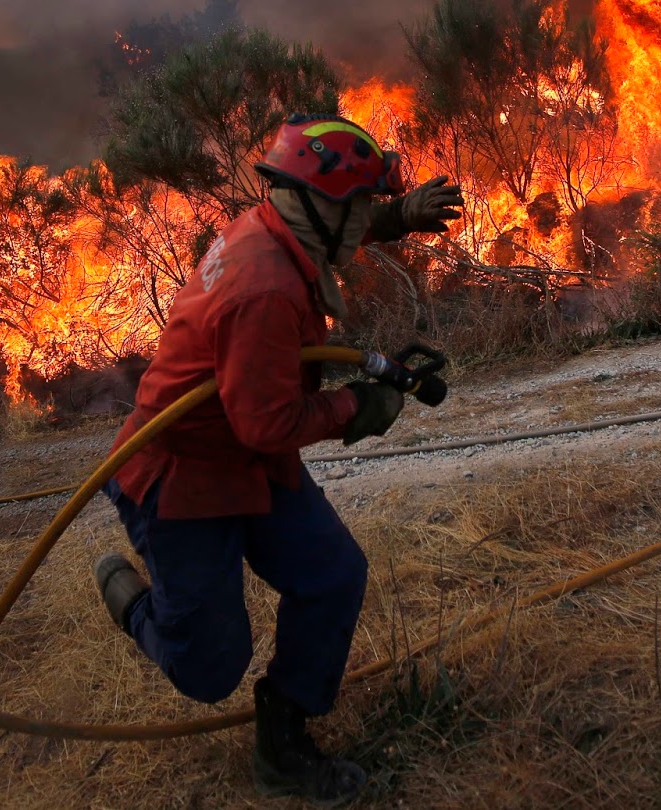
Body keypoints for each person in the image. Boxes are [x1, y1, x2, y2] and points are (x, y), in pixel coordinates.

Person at [93, 113, 464, 805]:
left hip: (245, 455)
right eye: (358, 206)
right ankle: (136, 604)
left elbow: (334, 233)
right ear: (323, 206)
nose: (362, 220)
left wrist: (396, 218)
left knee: (332, 574)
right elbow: (267, 424)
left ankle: (284, 742)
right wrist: (359, 409)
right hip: (183, 476)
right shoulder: (262, 289)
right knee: (209, 669)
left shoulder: (276, 224)